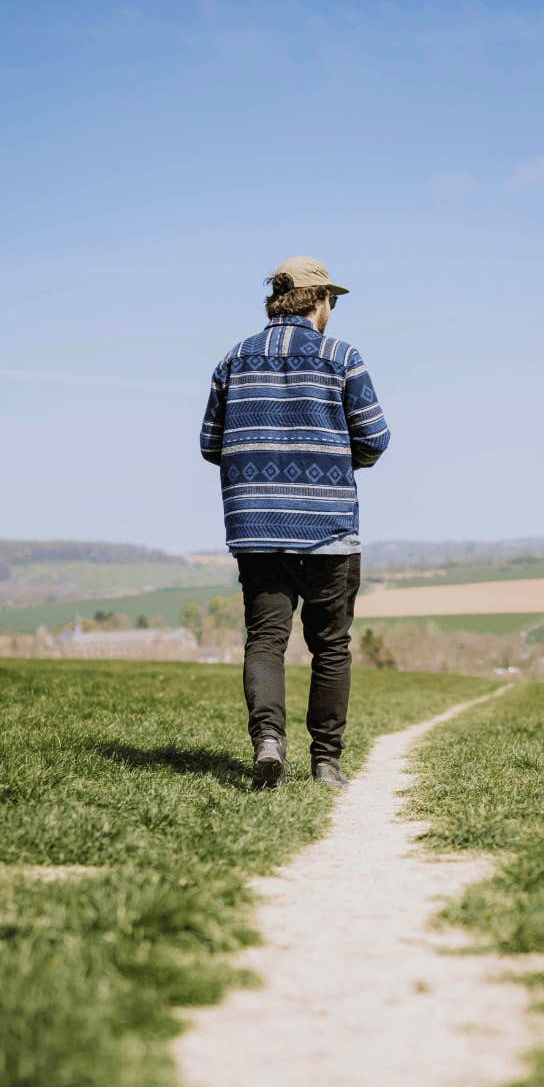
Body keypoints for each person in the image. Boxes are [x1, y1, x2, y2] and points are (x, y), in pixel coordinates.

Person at [200, 256, 391, 791]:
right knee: (331, 646)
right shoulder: (342, 357)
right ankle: (326, 762)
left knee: (265, 641)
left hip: (256, 529)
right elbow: (375, 438)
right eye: (333, 299)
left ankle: (268, 742)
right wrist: (336, 460)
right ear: (320, 300)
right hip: (329, 529)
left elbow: (210, 444)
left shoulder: (233, 359)